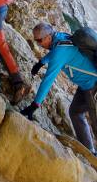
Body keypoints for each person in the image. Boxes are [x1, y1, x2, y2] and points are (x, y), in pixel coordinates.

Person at [22, 22, 97, 155]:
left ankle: (92, 154)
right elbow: (58, 48)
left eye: (39, 40)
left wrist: (35, 104)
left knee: (94, 120)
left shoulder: (59, 53)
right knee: (75, 112)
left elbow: (48, 80)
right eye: (36, 40)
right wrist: (41, 62)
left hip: (93, 84)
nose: (38, 44)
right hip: (86, 83)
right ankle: (89, 151)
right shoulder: (60, 37)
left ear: (48, 37)